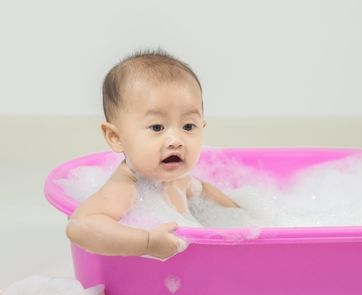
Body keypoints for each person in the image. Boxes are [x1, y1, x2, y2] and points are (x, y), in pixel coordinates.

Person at [66, 50, 239, 259]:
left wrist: (241, 213)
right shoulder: (126, 188)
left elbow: (203, 190)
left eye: (188, 126)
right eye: (157, 127)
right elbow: (79, 226)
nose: (176, 140)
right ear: (115, 137)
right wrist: (146, 242)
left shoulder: (179, 178)